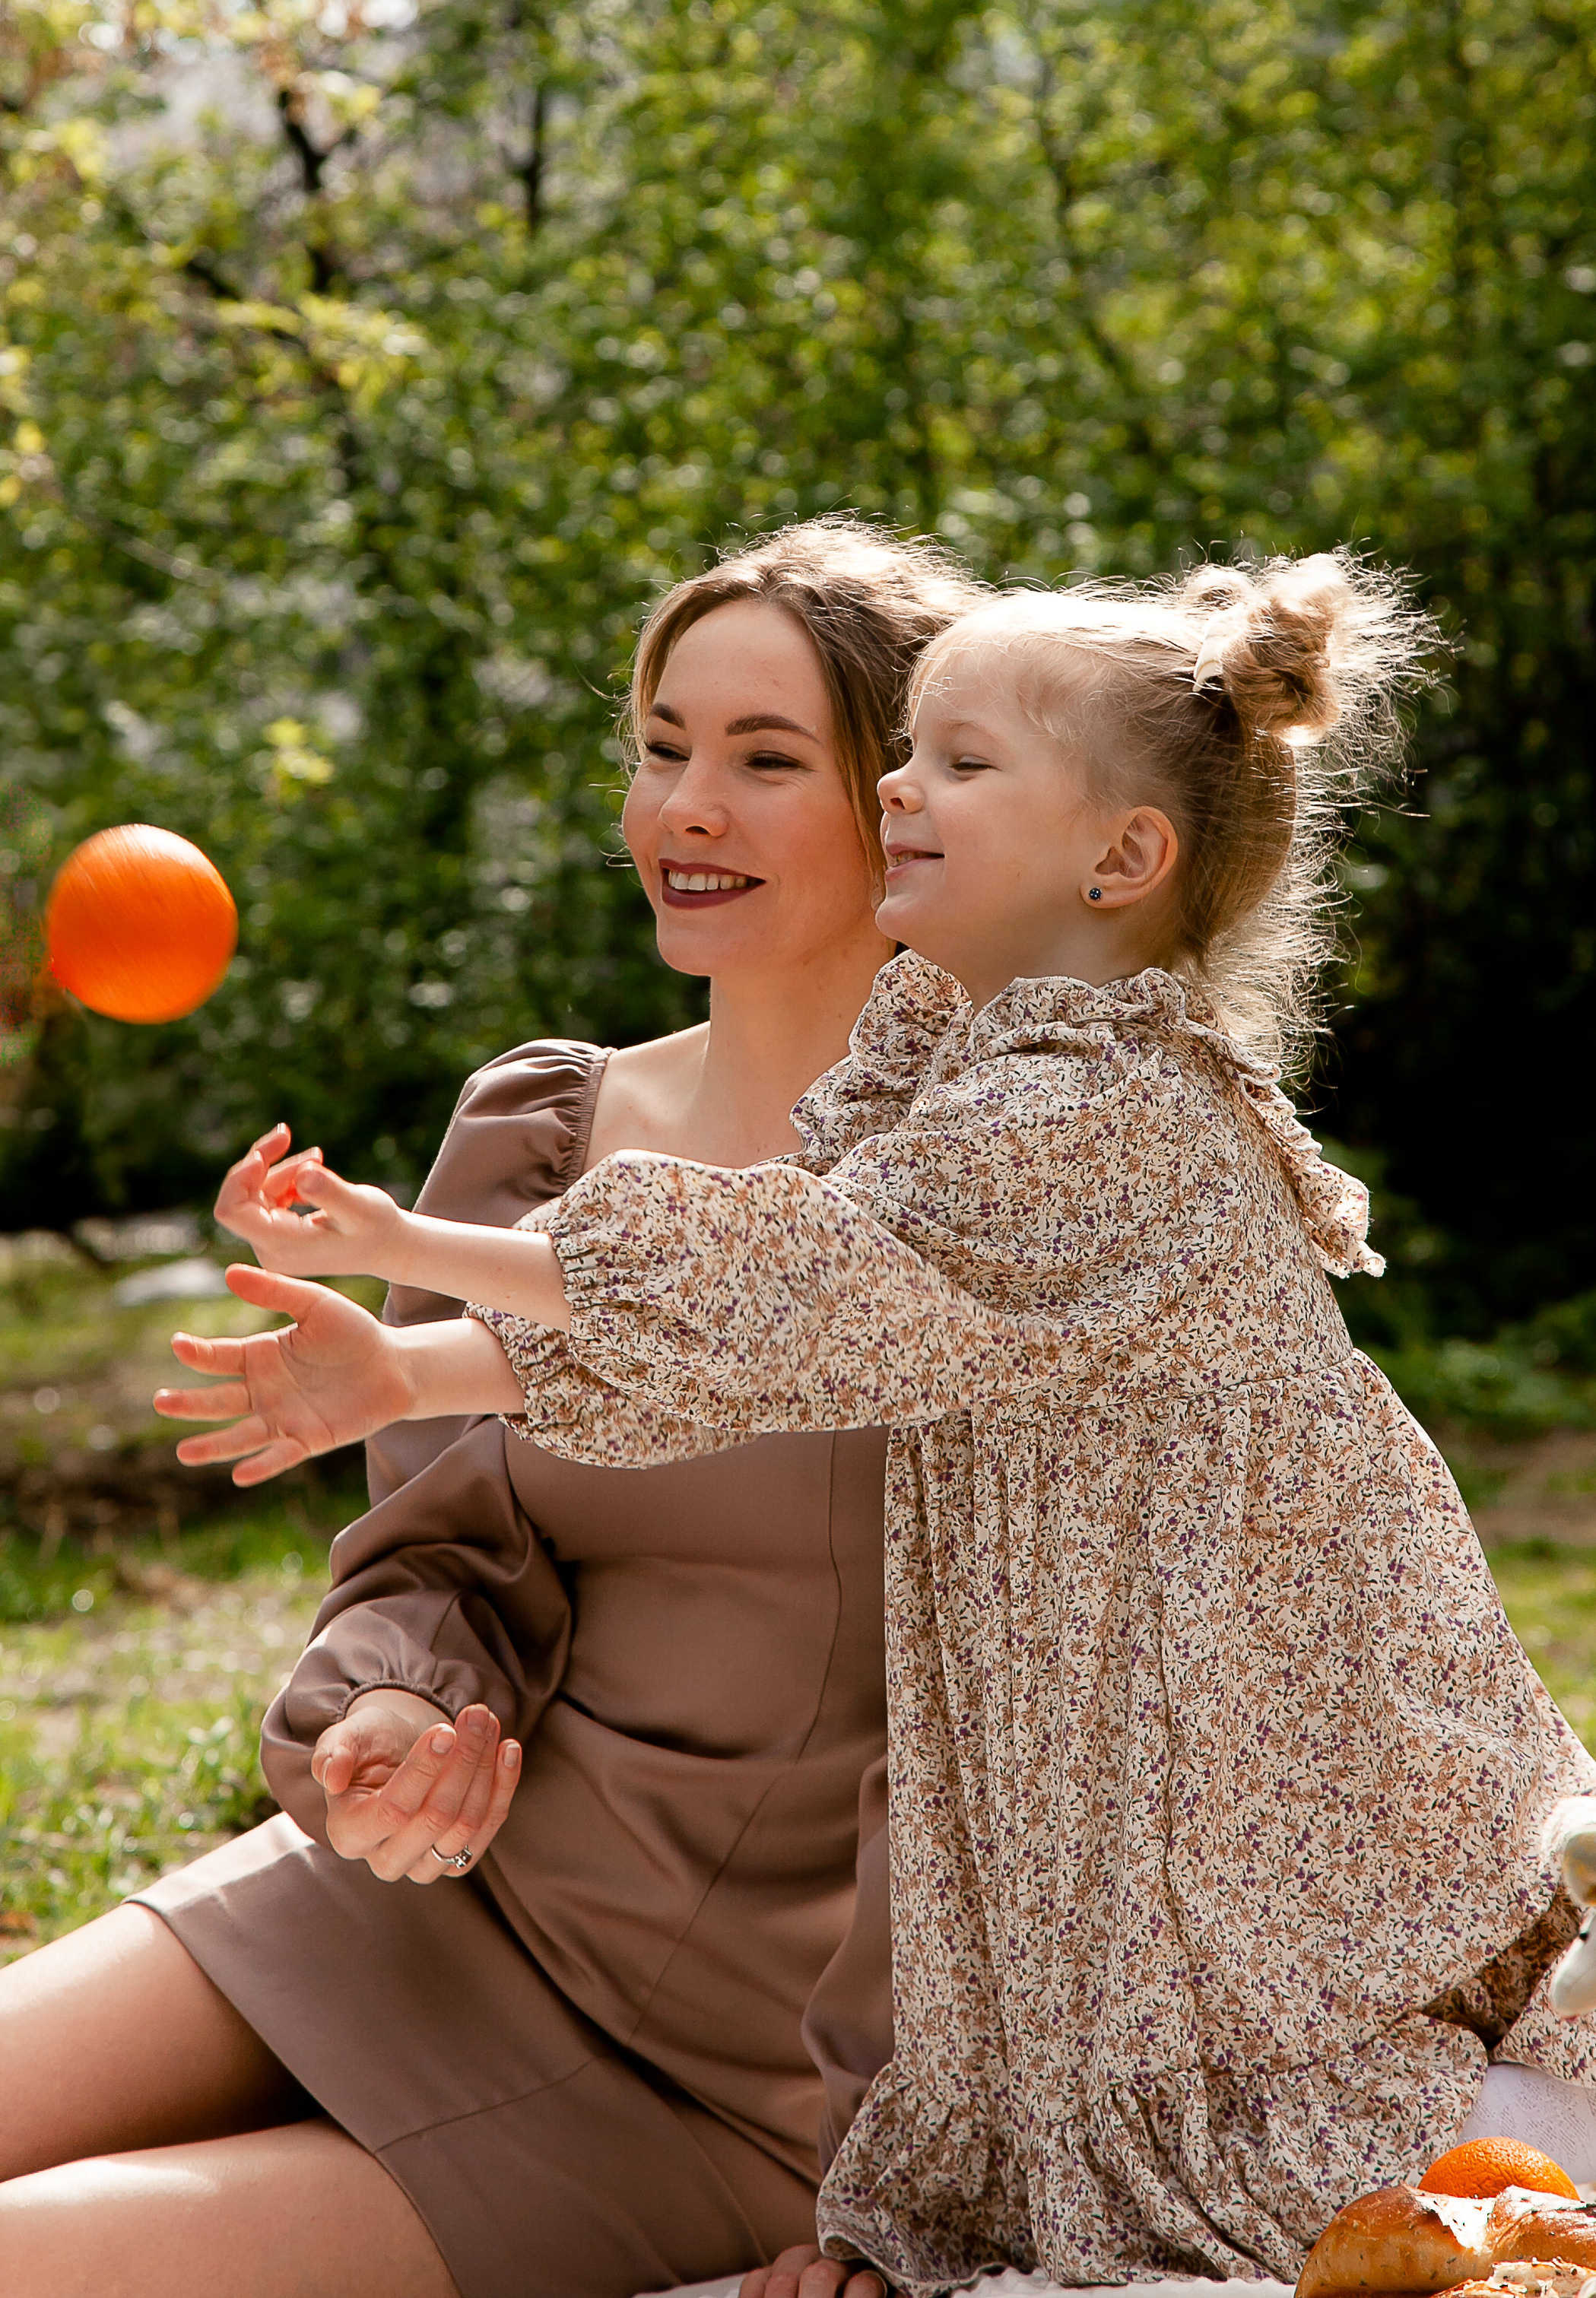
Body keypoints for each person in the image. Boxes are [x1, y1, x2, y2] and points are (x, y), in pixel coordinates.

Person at [189, 548, 1596, 2296]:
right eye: (661, 740)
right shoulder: (933, 1077)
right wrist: (414, 1400)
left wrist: (411, 1271)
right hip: (471, 1904)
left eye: (927, 761)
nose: (890, 792)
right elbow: (749, 1329)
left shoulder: (1100, 1118)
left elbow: (795, 1273)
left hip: (1058, 1905)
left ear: (1120, 853)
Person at [0, 517, 985, 2298]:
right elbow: (451, 1543)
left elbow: (1086, 1732)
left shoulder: (1017, 1208)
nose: (686, 805)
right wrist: (398, 1707)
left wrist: (921, 2179)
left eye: (767, 759)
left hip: (721, 2075)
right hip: (435, 1898)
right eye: (664, 745)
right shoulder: (542, 1133)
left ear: (907, 809)